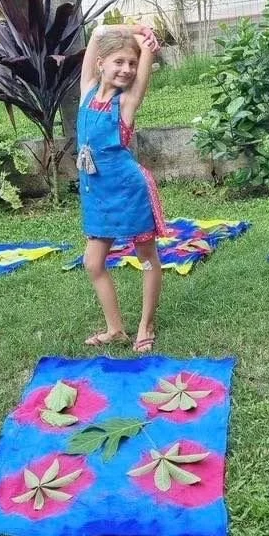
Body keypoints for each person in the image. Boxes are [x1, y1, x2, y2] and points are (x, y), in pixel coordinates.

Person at [77, 24, 166, 353]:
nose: (127, 69)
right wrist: (134, 28)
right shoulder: (86, 90)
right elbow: (98, 31)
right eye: (119, 62)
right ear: (100, 62)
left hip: (129, 193)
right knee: (93, 263)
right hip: (98, 196)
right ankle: (115, 328)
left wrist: (145, 45)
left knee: (146, 259)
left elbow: (143, 61)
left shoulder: (126, 103)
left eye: (132, 63)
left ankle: (146, 323)